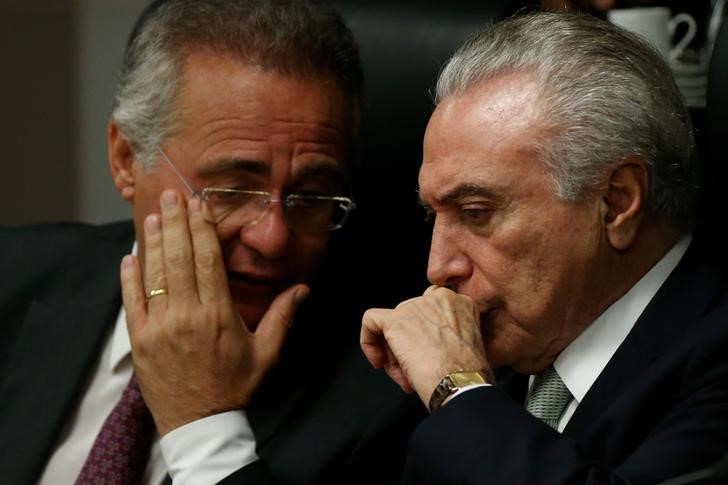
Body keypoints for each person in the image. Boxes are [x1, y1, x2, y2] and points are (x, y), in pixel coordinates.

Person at [0, 0, 423, 483]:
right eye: (233, 190)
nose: (272, 237)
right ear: (125, 158)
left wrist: (203, 419)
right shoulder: (11, 278)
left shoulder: (389, 405)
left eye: (310, 196)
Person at [361, 11, 728, 485]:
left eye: (476, 213)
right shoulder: (467, 358)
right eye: (434, 215)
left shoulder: (714, 360)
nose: (438, 268)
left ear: (615, 202)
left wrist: (460, 393)